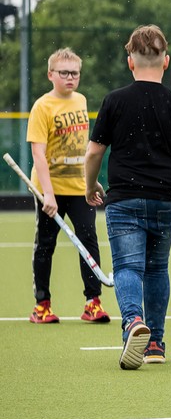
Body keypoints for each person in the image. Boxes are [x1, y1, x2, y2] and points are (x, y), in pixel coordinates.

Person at [84, 25, 171, 370]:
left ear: (129, 62)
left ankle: (133, 321)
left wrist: (90, 185)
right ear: (165, 62)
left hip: (124, 200)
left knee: (127, 266)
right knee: (156, 269)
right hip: (165, 201)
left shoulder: (114, 101)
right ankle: (155, 343)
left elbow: (94, 154)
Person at [26, 47, 110, 324]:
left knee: (88, 241)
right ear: (51, 75)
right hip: (50, 189)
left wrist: (91, 182)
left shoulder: (81, 101)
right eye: (64, 73)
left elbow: (85, 148)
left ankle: (92, 303)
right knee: (46, 245)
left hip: (78, 188)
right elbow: (38, 153)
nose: (70, 78)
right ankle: (42, 305)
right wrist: (47, 194)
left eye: (75, 73)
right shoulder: (42, 107)